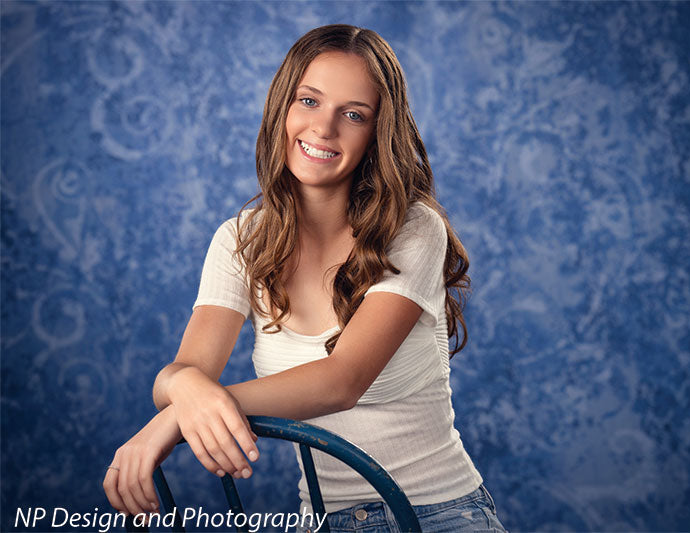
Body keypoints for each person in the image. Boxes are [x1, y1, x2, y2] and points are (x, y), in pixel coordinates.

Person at [103, 24, 506, 532]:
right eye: (309, 101)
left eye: (353, 114)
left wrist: (178, 416)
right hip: (320, 521)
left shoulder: (413, 228)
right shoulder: (239, 241)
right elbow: (181, 375)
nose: (324, 128)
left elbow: (342, 381)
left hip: (438, 515)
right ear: (282, 108)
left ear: (377, 134)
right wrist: (185, 394)